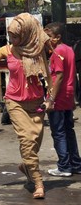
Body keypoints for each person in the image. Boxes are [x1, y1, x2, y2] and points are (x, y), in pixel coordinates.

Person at [0, 13, 53, 199]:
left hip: (36, 102)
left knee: (34, 143)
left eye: (16, 36)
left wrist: (50, 98)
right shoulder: (7, 50)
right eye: (11, 36)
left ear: (27, 34)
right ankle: (38, 181)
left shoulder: (37, 49)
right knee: (26, 139)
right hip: (15, 101)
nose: (13, 39)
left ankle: (26, 167)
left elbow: (48, 76)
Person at [44, 22, 81, 177]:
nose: (46, 39)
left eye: (49, 36)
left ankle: (64, 166)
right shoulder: (69, 50)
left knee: (58, 132)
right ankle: (75, 163)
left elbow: (58, 77)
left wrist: (51, 99)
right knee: (68, 130)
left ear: (57, 37)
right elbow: (71, 75)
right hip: (67, 95)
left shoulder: (58, 52)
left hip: (58, 97)